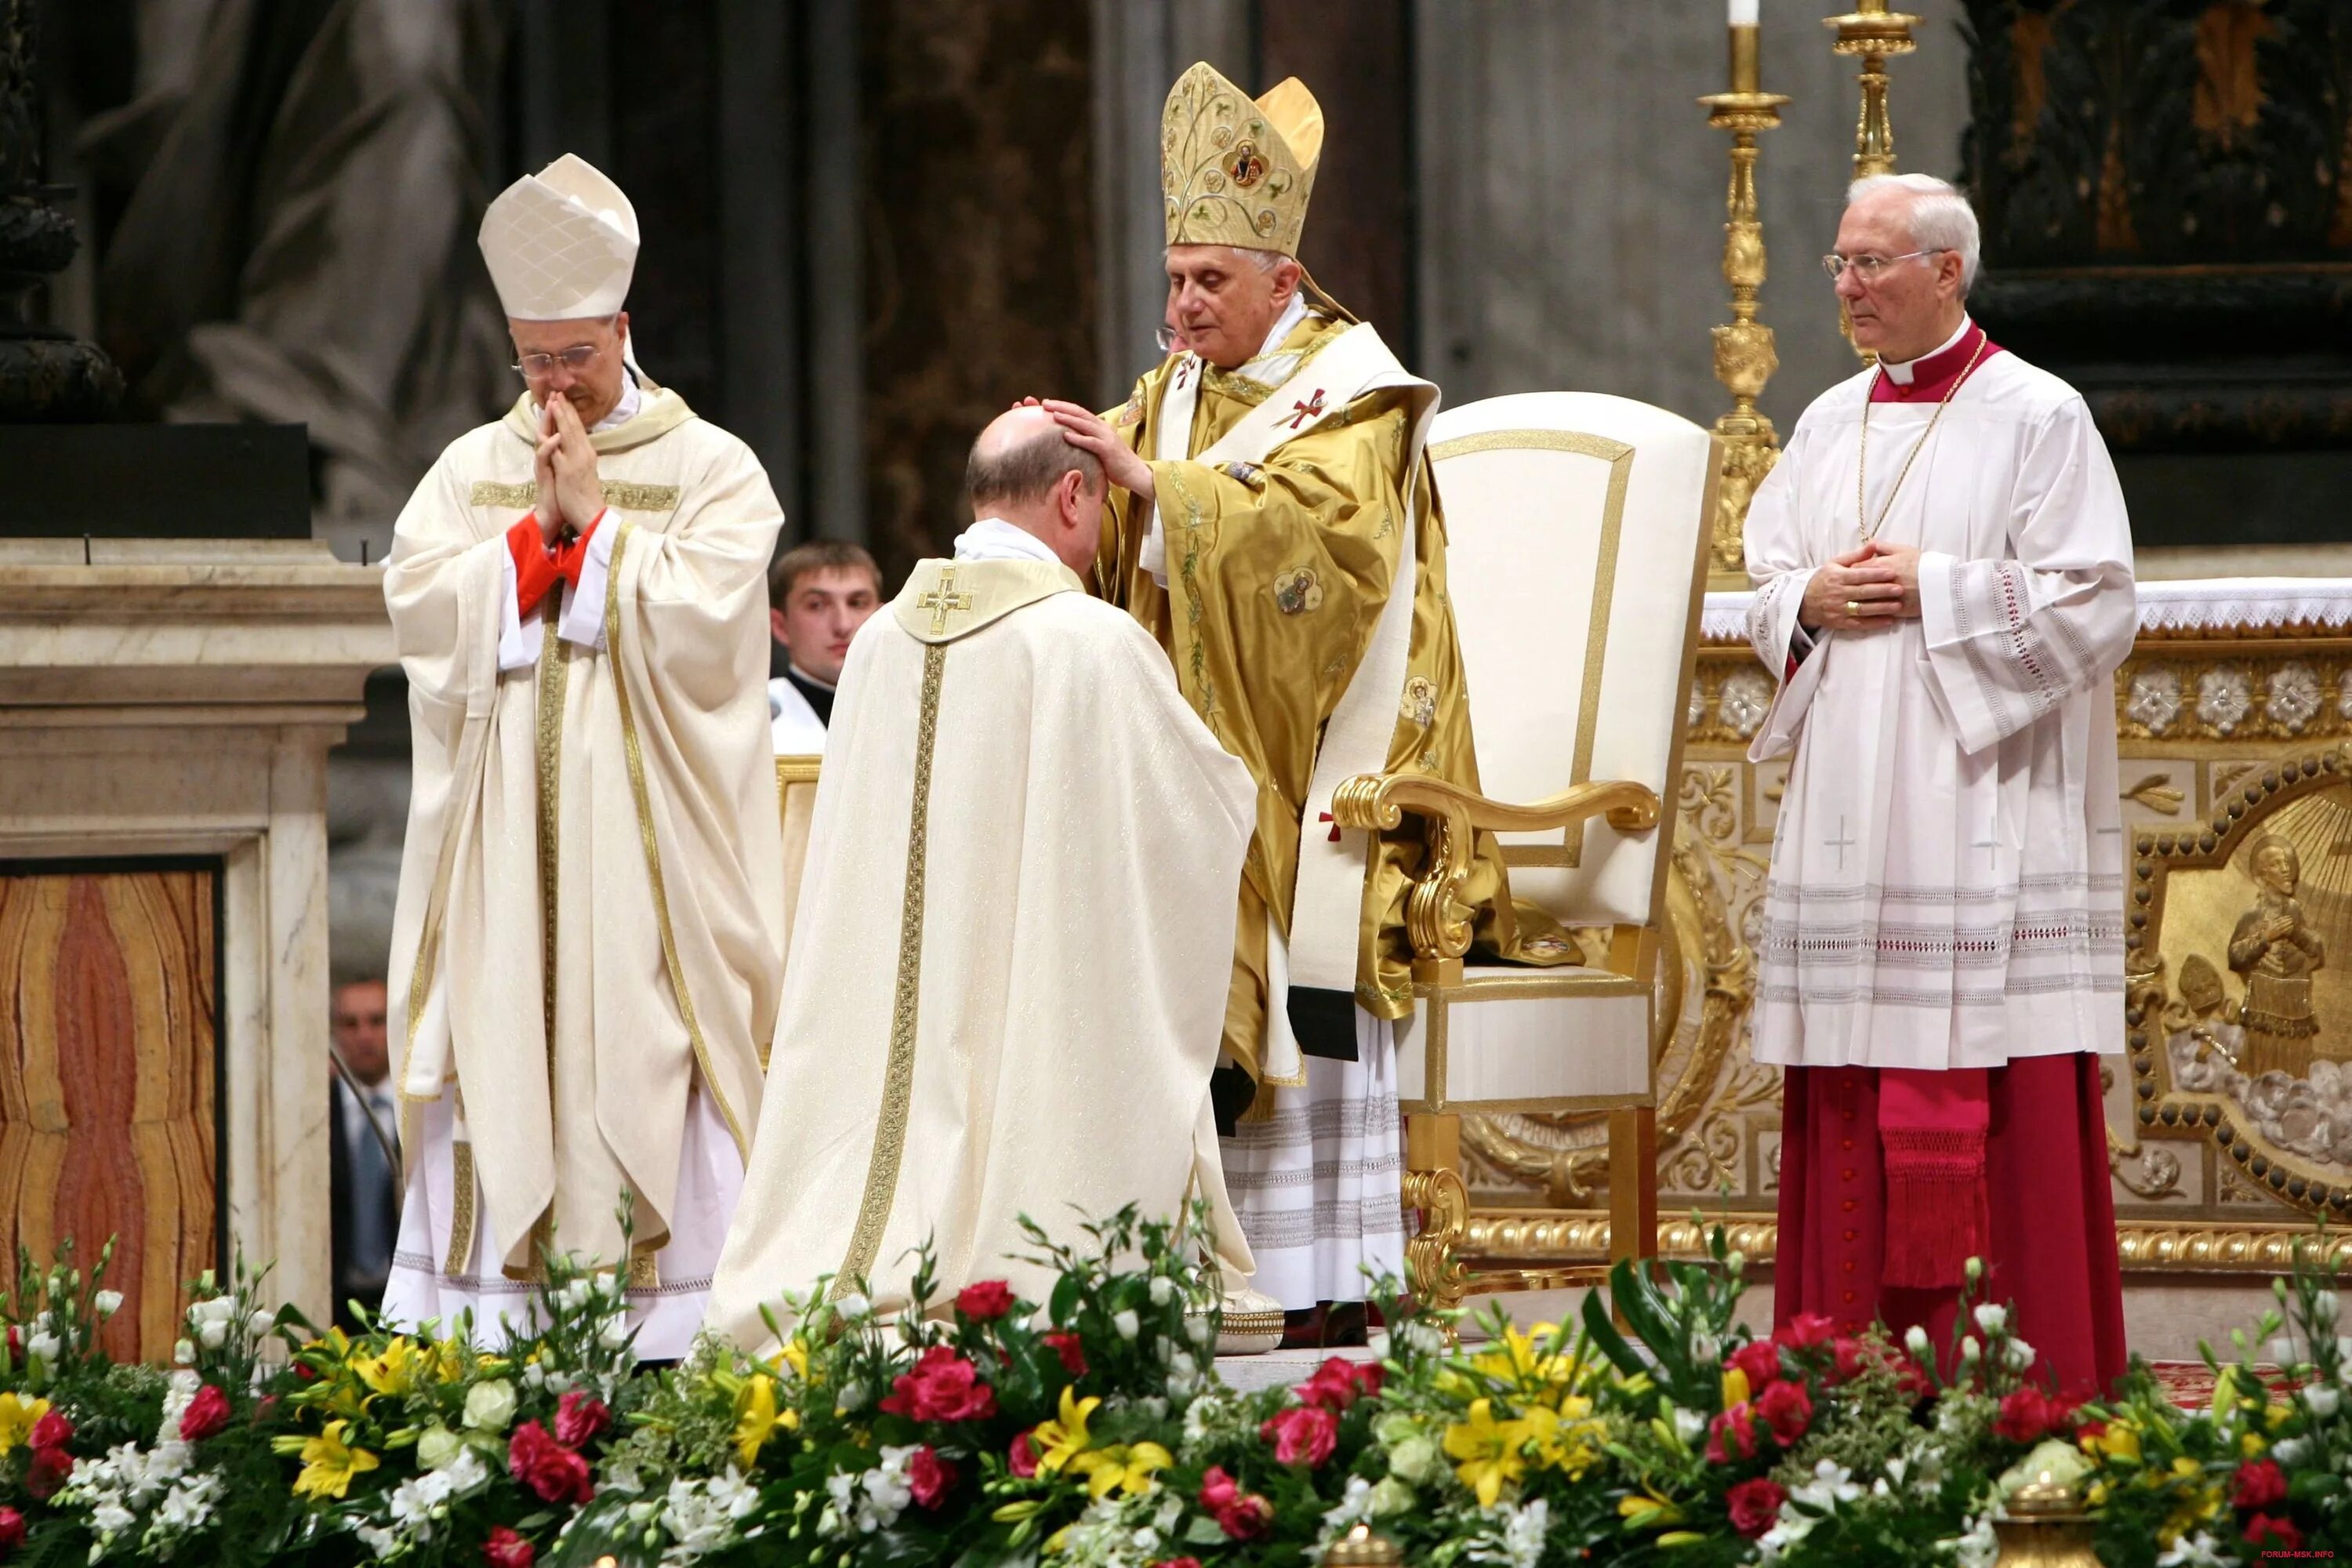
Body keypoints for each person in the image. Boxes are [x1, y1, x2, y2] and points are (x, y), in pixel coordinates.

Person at [1044, 62, 1573, 1335]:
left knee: (1263, 886)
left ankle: (1316, 1286)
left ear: (1285, 283)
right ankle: (1174, 1266)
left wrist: (1159, 494)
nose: (1181, 305)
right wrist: (1065, 485)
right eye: (1173, 279)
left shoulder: (1357, 395)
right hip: (1185, 757)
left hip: (1316, 768)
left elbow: (1326, 566)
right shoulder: (1168, 391)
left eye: (1208, 282)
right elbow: (1115, 517)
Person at [705, 408, 1259, 1341]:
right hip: (1023, 983)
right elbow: (1198, 810)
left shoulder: (883, 639)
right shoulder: (1088, 640)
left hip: (896, 992)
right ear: (1074, 493)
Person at [379, 154, 785, 1356]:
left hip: (646, 845)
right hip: (505, 834)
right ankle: (499, 1338)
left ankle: (668, 1334)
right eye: (535, 360)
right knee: (502, 1020)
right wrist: (526, 545)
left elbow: (717, 629)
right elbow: (419, 604)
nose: (555, 388)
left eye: (576, 359)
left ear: (623, 326)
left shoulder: (712, 465)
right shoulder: (468, 468)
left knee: (646, 1031)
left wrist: (601, 528)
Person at [1742, 173, 2136, 1394]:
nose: (1849, 287)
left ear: (1947, 272)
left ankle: (2026, 1385)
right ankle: (1848, 1380)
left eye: (1872, 264)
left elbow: (2096, 600)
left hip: (1984, 804)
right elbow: (1764, 577)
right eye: (1841, 265)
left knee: (1997, 1082)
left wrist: (1941, 587)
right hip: (1857, 808)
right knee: (1854, 1077)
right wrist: (1803, 602)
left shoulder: (2039, 414)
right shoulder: (1824, 421)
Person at [328, 976, 400, 1330]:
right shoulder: (315, 1112)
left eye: (377, 1021)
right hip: (332, 1304)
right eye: (350, 1024)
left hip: (407, 1304)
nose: (364, 1036)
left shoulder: (422, 1111)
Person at [767, 541, 882, 753]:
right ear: (781, 626)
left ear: (883, 619)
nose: (843, 625)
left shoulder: (912, 713)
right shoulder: (758, 723)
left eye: (857, 603)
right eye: (817, 605)